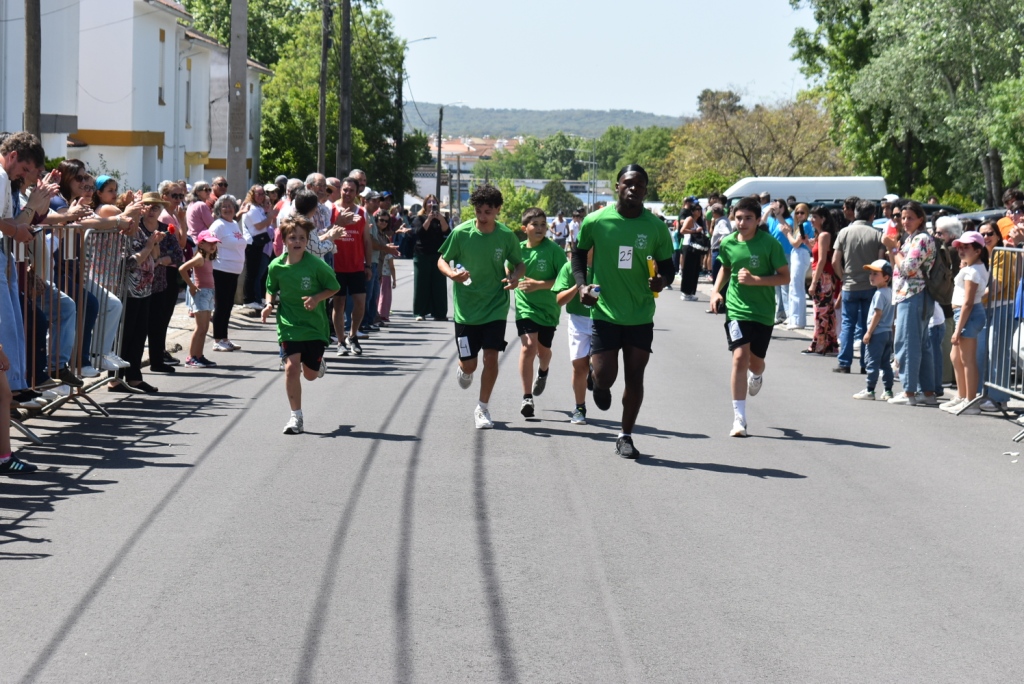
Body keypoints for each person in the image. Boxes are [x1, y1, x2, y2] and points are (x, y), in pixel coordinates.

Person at [572, 164, 674, 457]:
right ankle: (597, 381)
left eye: (639, 185)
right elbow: (578, 254)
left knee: (635, 376)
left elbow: (668, 267)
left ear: (645, 190)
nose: (633, 188)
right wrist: (582, 286)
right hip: (605, 311)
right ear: (617, 186)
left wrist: (662, 280)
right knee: (606, 377)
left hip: (640, 314)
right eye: (628, 183)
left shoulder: (655, 227)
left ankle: (625, 436)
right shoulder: (596, 221)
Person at [437, 184, 524, 430]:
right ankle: (464, 368)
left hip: (495, 306)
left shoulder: (506, 236)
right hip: (466, 310)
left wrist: (515, 277)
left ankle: (482, 408)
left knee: (491, 357)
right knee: (470, 365)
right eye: (478, 211)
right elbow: (442, 259)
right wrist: (451, 274)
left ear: (498, 210)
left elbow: (519, 264)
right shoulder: (461, 233)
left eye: (488, 212)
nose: (483, 217)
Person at [709, 196, 789, 438]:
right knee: (739, 358)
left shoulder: (769, 244)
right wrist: (715, 291)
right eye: (738, 218)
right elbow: (726, 267)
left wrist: (756, 281)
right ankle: (739, 419)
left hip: (763, 311)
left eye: (748, 218)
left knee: (755, 363)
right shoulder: (728, 242)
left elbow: (784, 276)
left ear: (757, 220)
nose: (742, 223)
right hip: (736, 308)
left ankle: (758, 373)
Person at [262, 216, 340, 435]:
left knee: (310, 375)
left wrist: (316, 298)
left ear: (307, 241)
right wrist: (269, 304)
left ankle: (317, 363)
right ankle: (296, 417)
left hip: (314, 326)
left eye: (302, 238)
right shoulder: (276, 266)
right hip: (289, 324)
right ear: (284, 240)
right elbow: (271, 289)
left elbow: (334, 286)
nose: (297, 241)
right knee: (291, 367)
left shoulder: (316, 264)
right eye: (292, 237)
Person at [108, 195, 167, 394]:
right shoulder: (123, 232)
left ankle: (134, 377)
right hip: (127, 291)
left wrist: (154, 243)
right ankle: (115, 379)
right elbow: (128, 263)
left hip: (144, 289)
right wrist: (149, 246)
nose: (145, 210)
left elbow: (156, 257)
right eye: (141, 206)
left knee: (139, 335)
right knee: (125, 335)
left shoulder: (140, 230)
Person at [514, 207, 567, 418]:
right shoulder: (517, 250)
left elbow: (565, 281)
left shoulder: (554, 250)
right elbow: (509, 268)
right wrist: (510, 277)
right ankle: (527, 397)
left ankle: (543, 371)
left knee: (543, 352)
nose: (539, 228)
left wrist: (539, 285)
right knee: (528, 347)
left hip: (548, 310)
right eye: (534, 224)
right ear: (524, 228)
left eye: (543, 224)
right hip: (525, 308)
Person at [882, 201, 937, 406]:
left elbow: (907, 268)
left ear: (920, 219)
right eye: (903, 217)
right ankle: (927, 392)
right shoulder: (912, 239)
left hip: (913, 295)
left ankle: (909, 392)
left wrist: (892, 248)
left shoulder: (921, 239)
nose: (905, 221)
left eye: (910, 218)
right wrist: (894, 248)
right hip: (913, 295)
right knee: (921, 345)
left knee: (907, 344)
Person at [832, 200, 885, 374]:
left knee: (848, 323)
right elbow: (880, 262)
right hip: (870, 285)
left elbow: (835, 261)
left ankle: (844, 362)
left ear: (855, 213)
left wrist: (843, 277)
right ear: (872, 216)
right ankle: (865, 362)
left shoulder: (844, 232)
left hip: (850, 284)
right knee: (867, 324)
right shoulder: (878, 234)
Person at [941, 231, 989, 415]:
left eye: (966, 247)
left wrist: (957, 330)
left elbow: (968, 303)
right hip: (963, 314)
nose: (961, 250)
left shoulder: (973, 271)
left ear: (978, 250)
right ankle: (962, 397)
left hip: (967, 315)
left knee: (967, 360)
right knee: (956, 357)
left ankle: (970, 401)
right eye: (960, 247)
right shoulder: (972, 268)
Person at [331, 177, 373, 355]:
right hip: (336, 266)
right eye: (345, 189)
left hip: (356, 266)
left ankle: (353, 335)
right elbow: (325, 234)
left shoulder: (362, 212)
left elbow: (367, 241)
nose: (347, 193)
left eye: (351, 190)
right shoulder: (331, 210)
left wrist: (368, 265)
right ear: (340, 190)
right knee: (338, 304)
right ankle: (340, 341)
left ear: (357, 193)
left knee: (360, 304)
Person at [145, 191, 185, 374]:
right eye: (147, 206)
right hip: (138, 284)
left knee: (159, 322)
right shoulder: (137, 227)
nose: (151, 210)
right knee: (139, 326)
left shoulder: (165, 229)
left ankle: (157, 360)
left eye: (155, 207)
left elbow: (178, 254)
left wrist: (161, 260)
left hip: (160, 282)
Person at [553, 248, 593, 425]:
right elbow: (560, 300)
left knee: (599, 365)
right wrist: (578, 286)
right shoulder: (570, 268)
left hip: (603, 320)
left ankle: (595, 374)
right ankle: (579, 408)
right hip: (578, 321)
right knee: (579, 367)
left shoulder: (606, 264)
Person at [209, 194, 247, 352]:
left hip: (234, 271)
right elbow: (207, 244)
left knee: (228, 305)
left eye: (230, 205)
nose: (227, 209)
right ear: (218, 209)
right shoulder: (218, 225)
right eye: (224, 206)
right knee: (221, 305)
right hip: (221, 270)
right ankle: (217, 340)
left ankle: (225, 338)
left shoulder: (234, 224)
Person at [852, 260, 895, 401]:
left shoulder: (879, 294)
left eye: (876, 274)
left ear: (886, 277)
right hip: (887, 332)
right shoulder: (890, 292)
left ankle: (870, 390)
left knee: (872, 362)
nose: (871, 276)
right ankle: (888, 390)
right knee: (885, 363)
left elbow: (878, 314)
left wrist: (869, 332)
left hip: (877, 333)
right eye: (871, 273)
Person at [178, 230, 220, 368]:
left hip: (209, 293)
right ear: (201, 244)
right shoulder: (199, 258)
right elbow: (182, 269)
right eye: (209, 243)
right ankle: (191, 357)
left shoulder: (208, 258)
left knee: (205, 327)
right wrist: (191, 286)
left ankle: (199, 355)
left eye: (214, 243)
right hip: (201, 293)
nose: (212, 246)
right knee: (200, 327)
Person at [804, 206, 840, 355]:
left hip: (823, 277)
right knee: (828, 312)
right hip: (824, 276)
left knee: (821, 312)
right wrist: (808, 243)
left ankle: (818, 345)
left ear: (823, 219)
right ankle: (830, 344)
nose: (811, 220)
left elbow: (821, 260)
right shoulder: (822, 235)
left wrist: (813, 282)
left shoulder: (824, 235)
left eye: (814, 217)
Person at [410, 194, 451, 321]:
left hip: (438, 255)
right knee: (421, 284)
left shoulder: (442, 219)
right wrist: (429, 219)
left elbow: (447, 233)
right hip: (422, 254)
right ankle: (419, 313)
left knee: (439, 285)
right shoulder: (419, 218)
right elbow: (419, 233)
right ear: (425, 205)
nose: (432, 204)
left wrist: (441, 219)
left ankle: (439, 313)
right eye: (429, 202)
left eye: (434, 202)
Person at [240, 184, 277, 311]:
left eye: (262, 194)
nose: (261, 196)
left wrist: (269, 217)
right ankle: (248, 300)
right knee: (251, 272)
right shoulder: (252, 208)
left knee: (255, 272)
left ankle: (254, 299)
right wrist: (270, 216)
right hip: (252, 243)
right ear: (252, 194)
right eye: (258, 194)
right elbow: (260, 226)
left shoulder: (258, 208)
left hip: (259, 242)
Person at [782, 203, 814, 329]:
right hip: (798, 254)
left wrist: (787, 233)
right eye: (797, 212)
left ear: (807, 214)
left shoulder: (804, 225)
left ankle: (798, 320)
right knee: (794, 286)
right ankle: (794, 318)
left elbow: (796, 243)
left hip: (800, 254)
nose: (799, 215)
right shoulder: (801, 225)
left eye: (802, 212)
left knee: (796, 287)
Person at [764, 198, 793, 325]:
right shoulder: (771, 219)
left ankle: (788, 314)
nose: (777, 208)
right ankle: (780, 314)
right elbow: (761, 223)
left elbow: (788, 228)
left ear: (784, 208)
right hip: (772, 254)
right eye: (776, 206)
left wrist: (778, 214)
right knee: (776, 286)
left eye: (780, 206)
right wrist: (768, 211)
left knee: (785, 286)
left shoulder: (788, 219)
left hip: (785, 254)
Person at [678, 204, 707, 301]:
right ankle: (685, 292)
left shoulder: (699, 221)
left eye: (700, 209)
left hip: (696, 248)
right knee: (688, 270)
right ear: (692, 211)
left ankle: (690, 292)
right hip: (689, 247)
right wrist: (695, 231)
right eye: (697, 209)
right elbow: (682, 230)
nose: (699, 211)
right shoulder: (689, 219)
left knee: (695, 271)